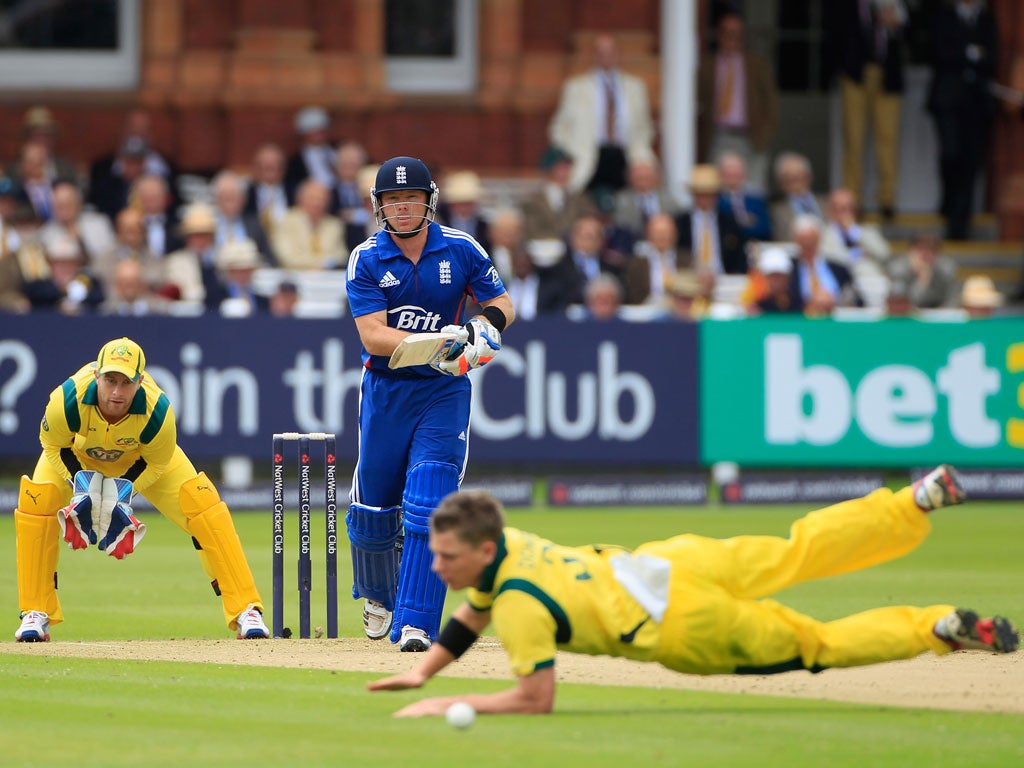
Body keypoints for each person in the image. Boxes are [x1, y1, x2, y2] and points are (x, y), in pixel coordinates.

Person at [368, 466, 1019, 716]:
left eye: (444, 555)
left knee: (816, 645)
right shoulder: (509, 540)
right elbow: (469, 612)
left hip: (687, 626)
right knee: (799, 548)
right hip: (675, 563)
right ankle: (915, 500)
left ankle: (933, 628)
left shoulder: (517, 608)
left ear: (482, 550)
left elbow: (535, 699)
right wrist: (422, 671)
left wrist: (450, 702)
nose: (434, 564)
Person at [344, 156, 515, 652]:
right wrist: (441, 342)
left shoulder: (460, 248)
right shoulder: (367, 258)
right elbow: (374, 336)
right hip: (387, 390)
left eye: (410, 198)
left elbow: (502, 303)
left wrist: (486, 327)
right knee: (375, 512)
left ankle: (417, 622)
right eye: (392, 200)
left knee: (429, 497)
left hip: (443, 390)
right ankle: (379, 595)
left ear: (428, 201)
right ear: (379, 206)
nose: (402, 208)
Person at [13, 337, 269, 642]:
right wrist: (82, 484)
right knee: (36, 499)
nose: (117, 392)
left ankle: (246, 610)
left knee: (203, 505)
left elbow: (158, 463)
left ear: (141, 381)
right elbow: (52, 445)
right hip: (78, 455)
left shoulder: (157, 412)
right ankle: (35, 612)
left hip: (141, 461)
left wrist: (122, 494)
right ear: (97, 376)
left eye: (126, 382)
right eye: (110, 380)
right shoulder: (67, 399)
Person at [548, 33, 656, 205]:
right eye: (601, 51)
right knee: (585, 207)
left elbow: (645, 128)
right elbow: (559, 129)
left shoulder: (636, 87)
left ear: (618, 54)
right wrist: (569, 158)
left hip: (625, 157)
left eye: (611, 51)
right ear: (594, 55)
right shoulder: (575, 87)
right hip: (587, 157)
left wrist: (641, 158)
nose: (606, 56)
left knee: (626, 206)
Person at [926, 0, 998, 240]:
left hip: (977, 103)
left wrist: (970, 55)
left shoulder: (986, 19)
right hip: (947, 99)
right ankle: (948, 201)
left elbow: (993, 57)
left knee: (971, 163)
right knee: (950, 154)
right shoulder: (944, 15)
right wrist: (970, 53)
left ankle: (959, 224)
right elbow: (938, 52)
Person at [836, 0, 908, 220]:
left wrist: (896, 25)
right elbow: (836, 33)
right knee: (854, 139)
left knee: (887, 139)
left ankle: (887, 199)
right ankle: (852, 201)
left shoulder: (896, 3)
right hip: (855, 75)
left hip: (888, 77)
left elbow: (915, 35)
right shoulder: (848, 6)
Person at [697, 11, 778, 195]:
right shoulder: (708, 65)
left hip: (753, 136)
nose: (732, 36)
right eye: (727, 31)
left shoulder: (757, 64)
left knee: (755, 188)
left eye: (737, 32)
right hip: (720, 135)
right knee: (720, 188)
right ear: (719, 34)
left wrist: (765, 134)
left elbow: (770, 104)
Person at [819, 187, 892, 280]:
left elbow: (884, 254)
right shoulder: (822, 234)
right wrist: (858, 255)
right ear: (830, 211)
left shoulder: (869, 231)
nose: (842, 214)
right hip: (838, 282)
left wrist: (854, 232)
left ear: (855, 211)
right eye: (837, 209)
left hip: (869, 281)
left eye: (847, 209)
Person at [886, 231, 960, 309]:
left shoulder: (946, 268)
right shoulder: (898, 269)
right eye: (920, 249)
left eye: (931, 249)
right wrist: (923, 280)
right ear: (910, 251)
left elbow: (953, 300)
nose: (925, 254)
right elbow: (905, 304)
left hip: (940, 317)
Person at [770, 151, 827, 241]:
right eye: (789, 179)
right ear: (780, 182)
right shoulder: (776, 210)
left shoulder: (827, 203)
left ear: (809, 178)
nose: (795, 184)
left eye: (798, 177)